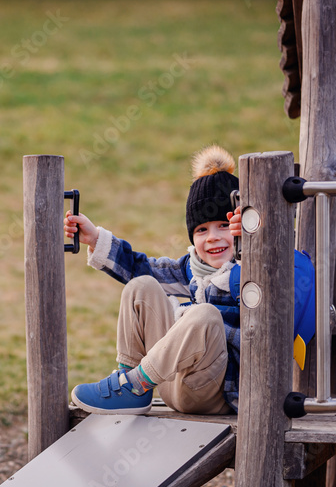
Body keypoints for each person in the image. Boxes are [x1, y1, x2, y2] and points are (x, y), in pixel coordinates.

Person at [65, 145, 316, 415]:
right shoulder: (193, 269)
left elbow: (277, 271)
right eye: (201, 230)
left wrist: (256, 238)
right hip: (175, 383)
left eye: (223, 226)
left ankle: (134, 384)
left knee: (205, 314)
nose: (213, 238)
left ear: (242, 227)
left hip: (217, 392)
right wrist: (95, 239)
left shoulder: (256, 268)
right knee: (142, 285)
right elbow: (139, 267)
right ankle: (132, 386)